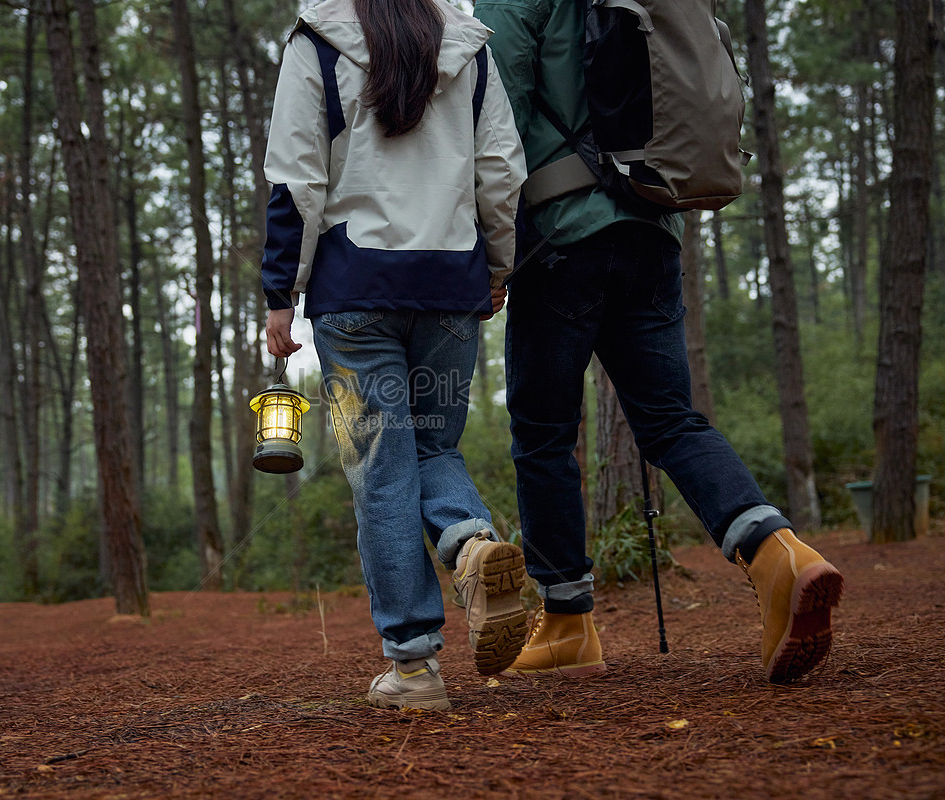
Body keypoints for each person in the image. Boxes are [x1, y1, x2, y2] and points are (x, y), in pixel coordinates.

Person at [473, 0, 844, 684]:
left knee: (545, 433)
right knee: (672, 420)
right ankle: (777, 552)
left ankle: (567, 623)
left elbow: (495, 119)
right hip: (654, 229)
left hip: (563, 236)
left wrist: (488, 253)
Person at [259, 0, 529, 709]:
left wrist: (280, 292)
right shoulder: (468, 44)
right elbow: (502, 168)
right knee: (435, 449)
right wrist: (495, 267)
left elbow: (296, 177)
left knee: (381, 467)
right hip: (449, 287)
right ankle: (472, 545)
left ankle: (413, 668)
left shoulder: (317, 41)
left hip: (356, 294)